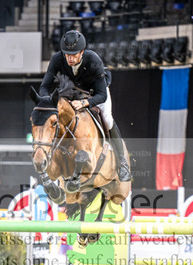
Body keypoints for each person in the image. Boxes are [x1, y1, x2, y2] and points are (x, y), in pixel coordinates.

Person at [40, 29, 131, 182]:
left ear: (82, 52)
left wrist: (84, 103)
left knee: (108, 119)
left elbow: (102, 95)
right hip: (70, 93)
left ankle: (122, 163)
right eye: (67, 55)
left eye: (74, 54)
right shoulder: (57, 59)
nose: (70, 58)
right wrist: (47, 101)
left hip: (94, 93)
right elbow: (44, 86)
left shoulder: (93, 60)